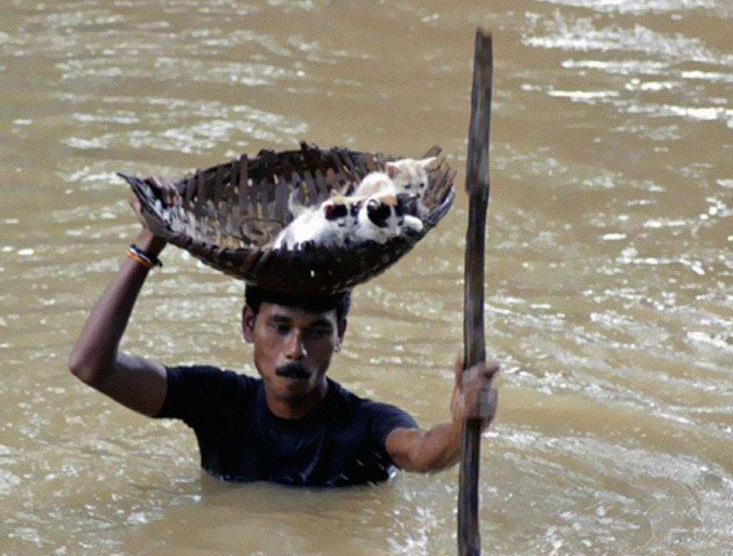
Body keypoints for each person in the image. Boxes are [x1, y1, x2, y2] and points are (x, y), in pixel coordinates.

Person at [68, 177, 499, 486]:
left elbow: (423, 452)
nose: (295, 350)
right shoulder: (218, 404)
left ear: (340, 334)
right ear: (249, 324)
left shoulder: (364, 425)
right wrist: (148, 242)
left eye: (316, 332)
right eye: (280, 327)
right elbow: (90, 366)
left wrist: (465, 427)